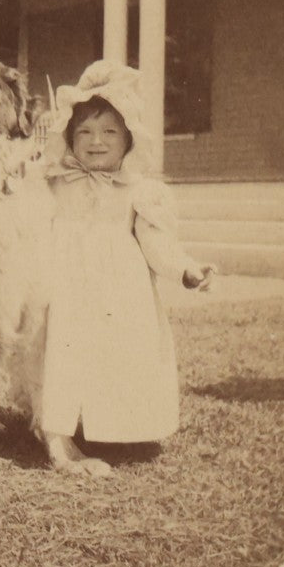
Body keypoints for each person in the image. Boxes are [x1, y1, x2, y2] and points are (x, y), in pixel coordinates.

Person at [39, 60, 215, 458]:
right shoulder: (55, 183)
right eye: (83, 131)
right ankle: (61, 432)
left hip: (121, 292)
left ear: (129, 138)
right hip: (67, 286)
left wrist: (184, 270)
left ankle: (123, 426)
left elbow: (157, 244)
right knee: (65, 352)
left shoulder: (138, 191)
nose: (95, 141)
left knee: (121, 355)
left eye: (108, 132)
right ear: (68, 137)